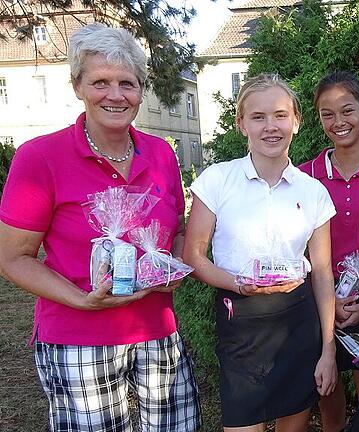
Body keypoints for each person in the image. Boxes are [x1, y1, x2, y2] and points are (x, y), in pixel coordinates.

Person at [0, 23, 200, 431]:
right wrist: (80, 299)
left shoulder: (160, 153)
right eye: (101, 82)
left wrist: (174, 265)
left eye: (127, 83)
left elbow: (176, 228)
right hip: (78, 336)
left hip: (156, 330)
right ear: (77, 85)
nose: (115, 95)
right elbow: (12, 257)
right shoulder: (40, 157)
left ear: (141, 90)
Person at [182, 73, 337, 431]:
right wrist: (238, 283)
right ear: (241, 124)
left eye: (281, 115)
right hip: (242, 321)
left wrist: (327, 349)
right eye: (258, 117)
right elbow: (194, 256)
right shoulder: (217, 181)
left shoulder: (313, 192)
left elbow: (323, 272)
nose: (271, 126)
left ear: (296, 122)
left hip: (297, 323)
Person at [298, 71, 359, 432]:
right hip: (320, 297)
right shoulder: (305, 176)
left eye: (347, 110)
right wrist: (328, 303)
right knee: (327, 388)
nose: (339, 122)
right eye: (327, 114)